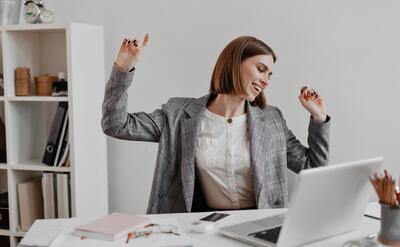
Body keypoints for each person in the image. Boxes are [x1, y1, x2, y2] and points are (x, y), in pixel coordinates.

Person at [102, 34, 330, 214]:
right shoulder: (178, 114)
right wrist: (123, 68)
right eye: (260, 69)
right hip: (201, 226)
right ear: (234, 63)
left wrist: (318, 118)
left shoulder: (271, 120)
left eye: (270, 74)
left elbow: (313, 168)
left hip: (259, 224)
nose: (266, 80)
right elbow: (116, 124)